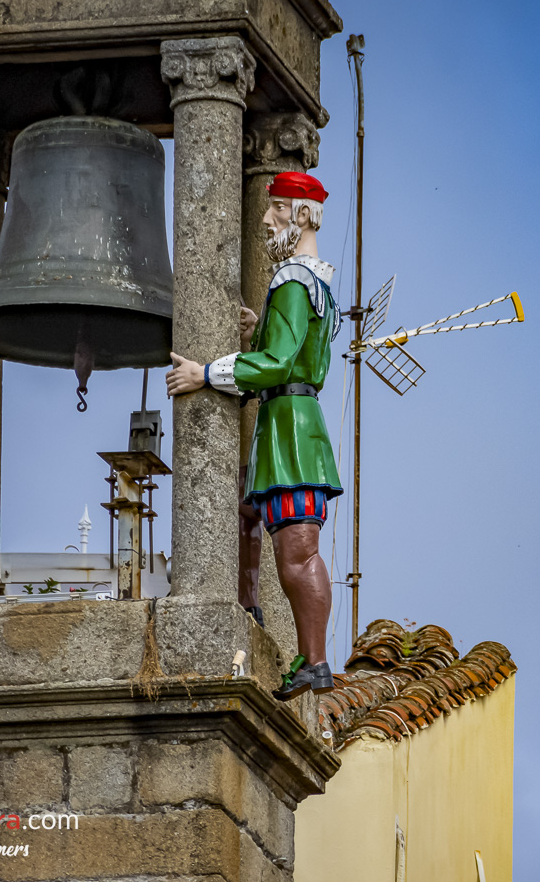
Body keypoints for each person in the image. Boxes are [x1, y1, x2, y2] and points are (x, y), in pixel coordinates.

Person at [165, 171, 344, 700]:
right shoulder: (314, 282)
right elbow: (298, 349)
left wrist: (208, 372)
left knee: (297, 554)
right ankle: (308, 656)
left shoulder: (292, 279)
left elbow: (281, 361)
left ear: (304, 215)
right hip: (291, 428)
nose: (268, 220)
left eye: (279, 209)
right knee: (286, 545)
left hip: (291, 431)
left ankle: (315, 662)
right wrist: (259, 328)